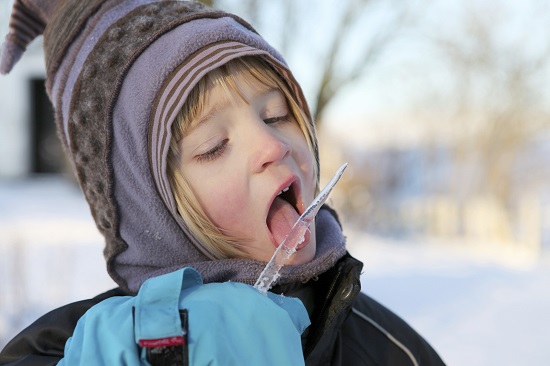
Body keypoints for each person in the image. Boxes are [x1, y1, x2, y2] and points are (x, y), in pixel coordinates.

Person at [0, 0, 446, 365]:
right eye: (214, 145)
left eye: (277, 114)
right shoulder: (70, 353)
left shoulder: (391, 350)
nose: (273, 145)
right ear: (147, 211)